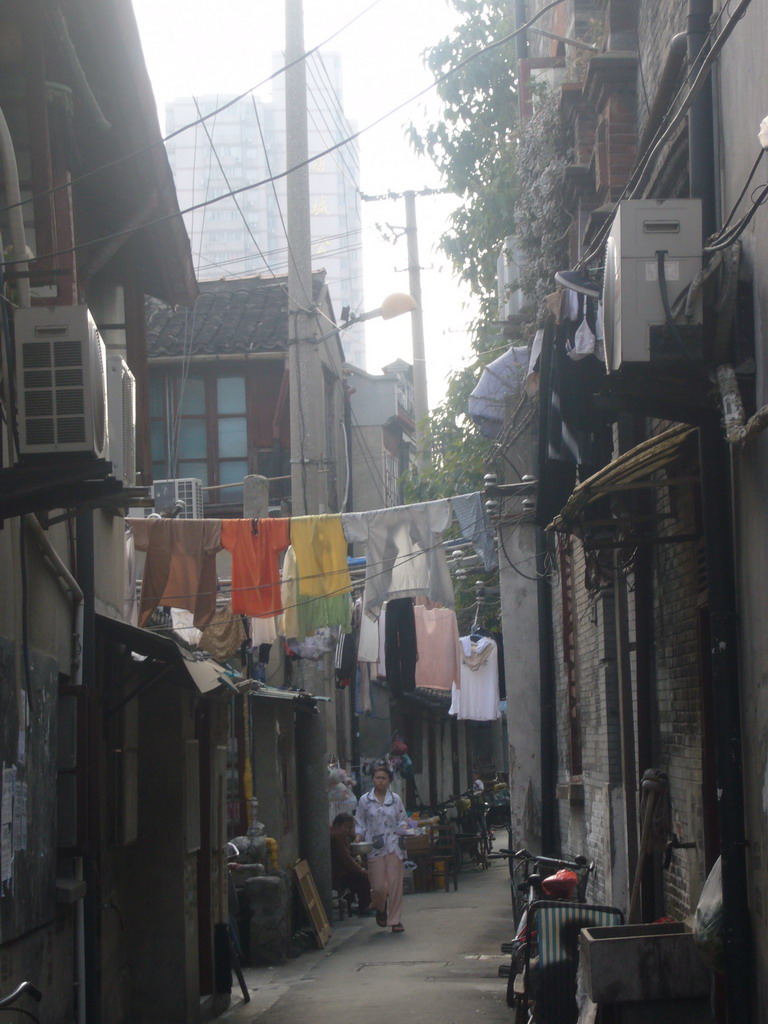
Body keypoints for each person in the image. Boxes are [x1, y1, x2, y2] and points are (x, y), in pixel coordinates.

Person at [354, 761, 408, 933]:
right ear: (373, 780)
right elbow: (360, 822)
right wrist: (358, 836)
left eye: (384, 778)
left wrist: (405, 828)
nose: (381, 781)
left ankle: (395, 920)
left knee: (394, 885)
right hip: (375, 848)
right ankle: (380, 907)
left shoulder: (395, 800)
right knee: (378, 887)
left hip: (394, 846)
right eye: (377, 777)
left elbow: (402, 819)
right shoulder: (365, 800)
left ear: (389, 780)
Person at [330, 812, 371, 915]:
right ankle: (364, 908)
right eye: (345, 827)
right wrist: (361, 869)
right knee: (364, 878)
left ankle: (358, 903)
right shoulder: (337, 837)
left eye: (349, 827)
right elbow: (346, 859)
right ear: (336, 825)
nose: (347, 830)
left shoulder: (339, 836)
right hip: (339, 875)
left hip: (340, 872)